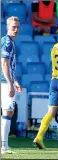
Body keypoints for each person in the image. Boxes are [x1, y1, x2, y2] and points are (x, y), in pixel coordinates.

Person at [1, 16, 22, 154]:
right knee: (8, 112)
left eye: (17, 27)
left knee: (8, 112)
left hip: (6, 81)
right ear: (8, 27)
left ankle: (3, 145)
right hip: (3, 82)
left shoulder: (9, 42)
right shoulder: (7, 42)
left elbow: (10, 65)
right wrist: (9, 84)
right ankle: (4, 146)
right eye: (13, 27)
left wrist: (15, 82)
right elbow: (4, 63)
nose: (16, 29)